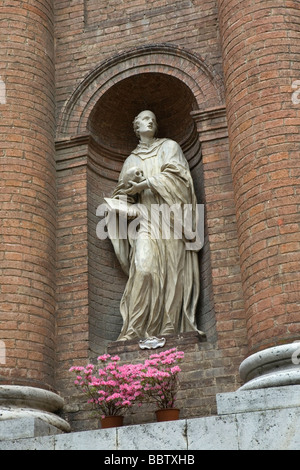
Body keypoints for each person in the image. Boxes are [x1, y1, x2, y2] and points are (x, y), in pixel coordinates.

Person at [107, 110, 203, 342]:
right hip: (147, 220)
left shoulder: (169, 147)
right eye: (143, 118)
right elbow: (122, 198)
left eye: (153, 118)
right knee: (143, 268)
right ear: (135, 127)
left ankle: (170, 329)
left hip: (171, 219)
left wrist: (147, 183)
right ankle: (134, 330)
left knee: (173, 271)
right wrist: (128, 186)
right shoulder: (131, 160)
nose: (149, 120)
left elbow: (181, 180)